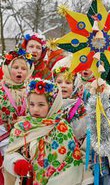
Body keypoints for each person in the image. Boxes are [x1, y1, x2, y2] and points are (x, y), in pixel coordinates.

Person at [3, 78, 83, 185]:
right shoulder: (22, 127)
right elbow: (10, 152)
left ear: (52, 105)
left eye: (41, 105)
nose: (35, 109)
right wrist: (16, 162)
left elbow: (69, 163)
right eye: (32, 104)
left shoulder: (61, 128)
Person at [0, 48, 34, 184]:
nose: (20, 71)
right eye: (15, 67)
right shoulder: (1, 90)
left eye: (24, 68)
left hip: (28, 138)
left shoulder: (33, 89)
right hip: (4, 141)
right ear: (7, 69)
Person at [52, 57, 87, 144]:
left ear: (74, 86)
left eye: (68, 83)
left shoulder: (79, 106)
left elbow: (81, 132)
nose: (63, 86)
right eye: (59, 82)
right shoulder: (49, 103)